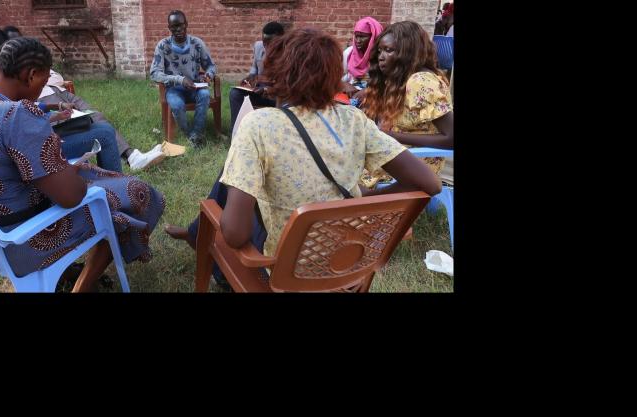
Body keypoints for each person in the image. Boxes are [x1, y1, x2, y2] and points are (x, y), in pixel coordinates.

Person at [163, 27, 439, 284]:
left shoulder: (259, 125)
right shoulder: (355, 120)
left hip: (285, 271)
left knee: (234, 181)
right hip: (348, 262)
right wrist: (365, 200)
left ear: (278, 73)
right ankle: (196, 232)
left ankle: (200, 239)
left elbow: (235, 235)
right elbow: (430, 183)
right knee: (239, 175)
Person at [0, 37, 165, 289]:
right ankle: (82, 285)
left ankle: (71, 271)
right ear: (31, 75)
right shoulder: (16, 114)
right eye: (43, 82)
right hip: (23, 242)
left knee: (94, 174)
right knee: (137, 193)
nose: (40, 91)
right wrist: (65, 167)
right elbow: (71, 197)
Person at [358, 21, 453, 192]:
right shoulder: (402, 80)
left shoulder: (420, 81)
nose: (381, 57)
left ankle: (371, 199)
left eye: (389, 50)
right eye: (380, 51)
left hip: (417, 168)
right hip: (401, 159)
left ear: (408, 52)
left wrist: (392, 136)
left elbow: (451, 138)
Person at [36, 67, 141, 169]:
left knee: (95, 116)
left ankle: (131, 157)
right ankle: (113, 178)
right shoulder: (28, 102)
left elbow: (57, 77)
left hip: (60, 92)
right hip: (50, 142)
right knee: (105, 134)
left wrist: (59, 105)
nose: (47, 76)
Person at [150, 10, 217, 146]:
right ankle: (189, 134)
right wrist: (179, 79)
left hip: (195, 87)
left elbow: (211, 66)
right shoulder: (163, 46)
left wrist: (208, 75)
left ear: (186, 24)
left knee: (205, 95)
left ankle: (196, 134)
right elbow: (154, 73)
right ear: (169, 28)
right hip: (173, 89)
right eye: (174, 27)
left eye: (180, 25)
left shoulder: (197, 43)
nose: (178, 29)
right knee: (176, 104)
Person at [229, 21, 283, 137]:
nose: (266, 46)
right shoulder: (258, 46)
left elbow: (287, 85)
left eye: (270, 42)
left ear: (281, 40)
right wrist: (249, 79)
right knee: (235, 94)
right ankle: (237, 134)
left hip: (278, 95)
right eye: (264, 42)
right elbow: (254, 70)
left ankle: (277, 135)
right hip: (259, 90)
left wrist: (267, 89)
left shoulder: (289, 53)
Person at [340, 17, 383, 99]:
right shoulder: (349, 53)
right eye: (356, 36)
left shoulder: (381, 56)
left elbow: (389, 81)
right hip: (350, 98)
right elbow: (335, 78)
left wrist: (369, 90)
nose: (358, 41)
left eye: (363, 37)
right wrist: (345, 84)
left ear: (373, 37)